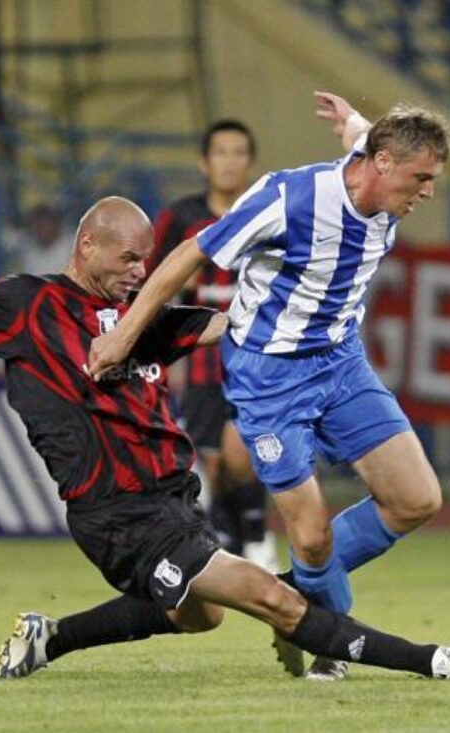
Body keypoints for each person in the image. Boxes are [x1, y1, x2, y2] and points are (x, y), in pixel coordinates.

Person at [0, 195, 450, 683]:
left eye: (146, 259)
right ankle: (430, 660)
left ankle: (51, 637)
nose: (138, 270)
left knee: (203, 616)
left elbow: (231, 325)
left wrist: (298, 320)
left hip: (174, 504)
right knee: (273, 601)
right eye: (128, 257)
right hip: (117, 516)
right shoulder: (28, 305)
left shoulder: (139, 318)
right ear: (85, 245)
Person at [87, 92, 450, 680]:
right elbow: (188, 254)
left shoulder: (379, 169)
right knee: (310, 538)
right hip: (270, 378)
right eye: (421, 178)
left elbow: (366, 136)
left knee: (417, 500)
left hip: (340, 364)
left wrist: (351, 121)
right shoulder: (290, 199)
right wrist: (125, 335)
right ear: (383, 164)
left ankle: (292, 601)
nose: (427, 191)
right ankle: (327, 643)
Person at [148, 119, 277, 569]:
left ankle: (258, 534)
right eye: (220, 153)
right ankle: (233, 541)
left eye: (239, 152)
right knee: (215, 463)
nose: (229, 162)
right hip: (202, 360)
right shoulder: (181, 218)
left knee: (245, 449)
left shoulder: (269, 211)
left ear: (251, 162)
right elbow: (154, 280)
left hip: (258, 356)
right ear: (204, 162)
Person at [14, 202, 75, 275]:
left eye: (44, 224)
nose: (41, 229)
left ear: (57, 225)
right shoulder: (26, 247)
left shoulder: (73, 245)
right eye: (37, 225)